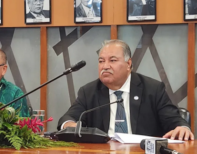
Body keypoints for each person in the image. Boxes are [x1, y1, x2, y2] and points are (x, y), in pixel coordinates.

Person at [58, 39, 194, 141]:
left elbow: (173, 120)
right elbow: (67, 118)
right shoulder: (89, 92)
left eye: (112, 60)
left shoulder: (153, 89)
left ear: (128, 64)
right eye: (101, 61)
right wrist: (69, 124)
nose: (105, 66)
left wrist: (182, 127)